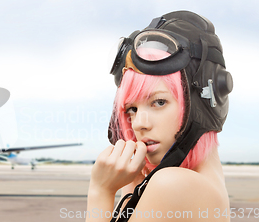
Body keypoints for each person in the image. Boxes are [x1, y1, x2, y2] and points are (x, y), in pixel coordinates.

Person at [87, 11, 233, 222]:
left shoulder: (172, 184)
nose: (139, 124)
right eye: (132, 109)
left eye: (159, 102)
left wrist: (100, 192)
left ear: (201, 105)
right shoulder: (201, 183)